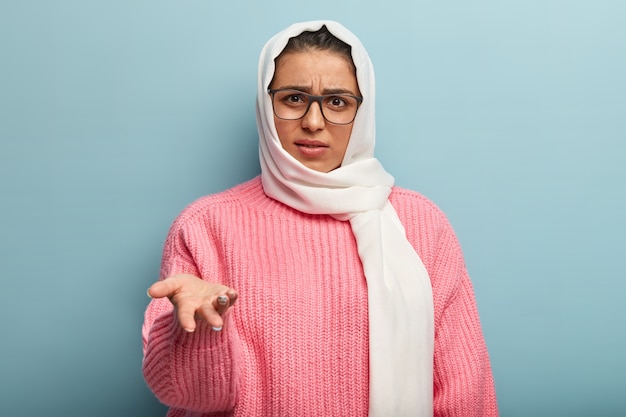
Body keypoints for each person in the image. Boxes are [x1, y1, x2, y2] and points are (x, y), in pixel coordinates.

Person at [142, 20, 498, 417]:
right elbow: (188, 397)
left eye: (337, 102)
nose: (314, 122)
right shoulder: (206, 226)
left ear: (362, 112)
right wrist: (199, 331)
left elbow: (466, 392)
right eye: (294, 98)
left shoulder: (421, 225)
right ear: (265, 103)